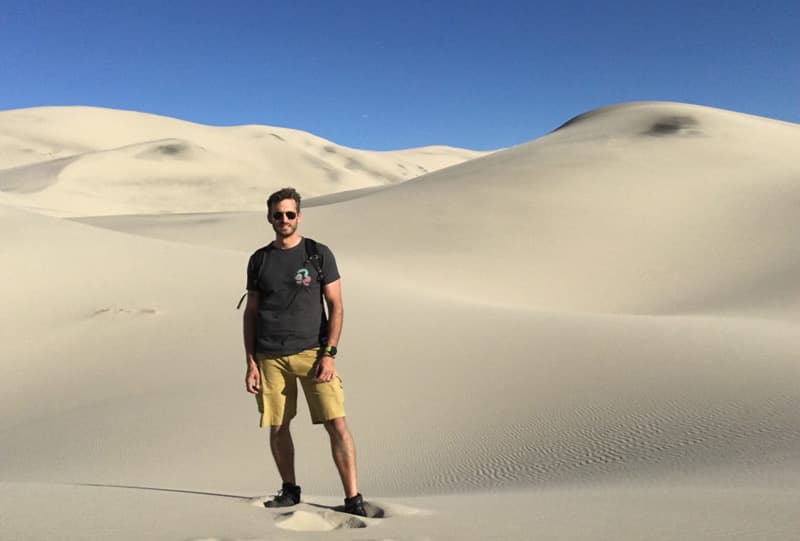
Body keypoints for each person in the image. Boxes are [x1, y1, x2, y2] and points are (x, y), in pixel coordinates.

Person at [242, 187, 366, 516]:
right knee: (278, 425)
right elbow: (251, 312)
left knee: (336, 422)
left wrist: (329, 353)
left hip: (313, 353)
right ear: (269, 218)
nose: (284, 219)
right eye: (278, 214)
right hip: (269, 356)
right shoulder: (260, 259)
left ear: (299, 216)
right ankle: (290, 490)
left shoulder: (317, 254)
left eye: (290, 214)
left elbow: (336, 306)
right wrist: (251, 362)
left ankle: (353, 498)